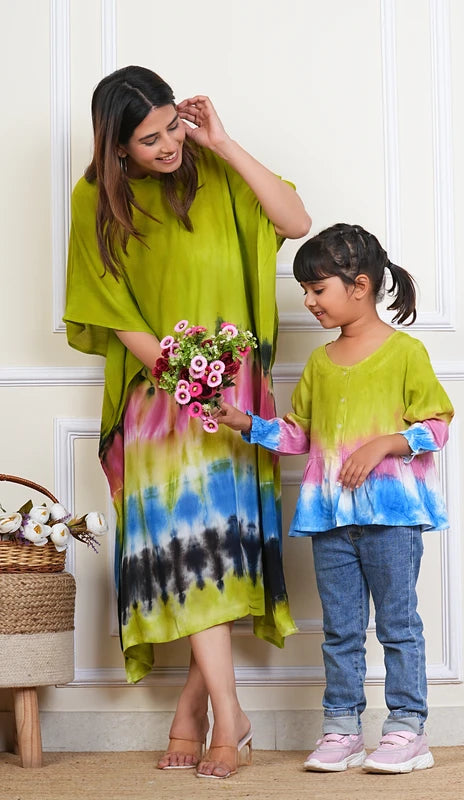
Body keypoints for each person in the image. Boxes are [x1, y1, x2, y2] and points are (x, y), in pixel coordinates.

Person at [63, 65, 311, 779]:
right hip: (158, 392)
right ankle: (229, 717)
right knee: (191, 548)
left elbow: (294, 222)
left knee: (219, 550)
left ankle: (195, 709)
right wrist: (185, 377)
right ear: (117, 146)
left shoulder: (214, 170)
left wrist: (222, 142)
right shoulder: (93, 200)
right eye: (150, 139)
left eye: (173, 126)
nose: (169, 144)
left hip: (235, 391)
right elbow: (111, 310)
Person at [218, 223, 454, 775]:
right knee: (341, 630)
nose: (309, 300)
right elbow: (298, 435)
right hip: (330, 520)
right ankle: (342, 729)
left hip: (392, 518)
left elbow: (437, 426)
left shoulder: (406, 353)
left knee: (398, 625)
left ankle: (407, 730)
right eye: (305, 290)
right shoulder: (320, 364)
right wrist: (245, 422)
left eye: (317, 288)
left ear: (360, 286)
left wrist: (385, 443)